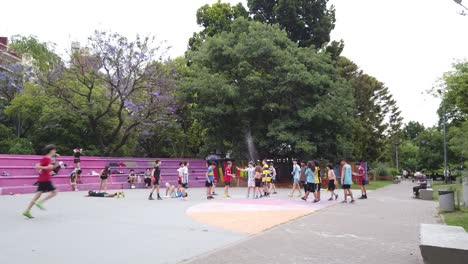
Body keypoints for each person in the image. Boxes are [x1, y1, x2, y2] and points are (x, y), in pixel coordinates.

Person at [23, 144, 59, 219]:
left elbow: (51, 167)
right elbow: (37, 166)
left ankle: (27, 211)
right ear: (51, 150)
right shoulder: (46, 158)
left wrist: (54, 165)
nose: (55, 151)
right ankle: (40, 202)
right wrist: (47, 167)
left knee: (37, 196)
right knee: (55, 192)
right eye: (54, 150)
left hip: (44, 178)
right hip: (45, 179)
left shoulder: (50, 158)